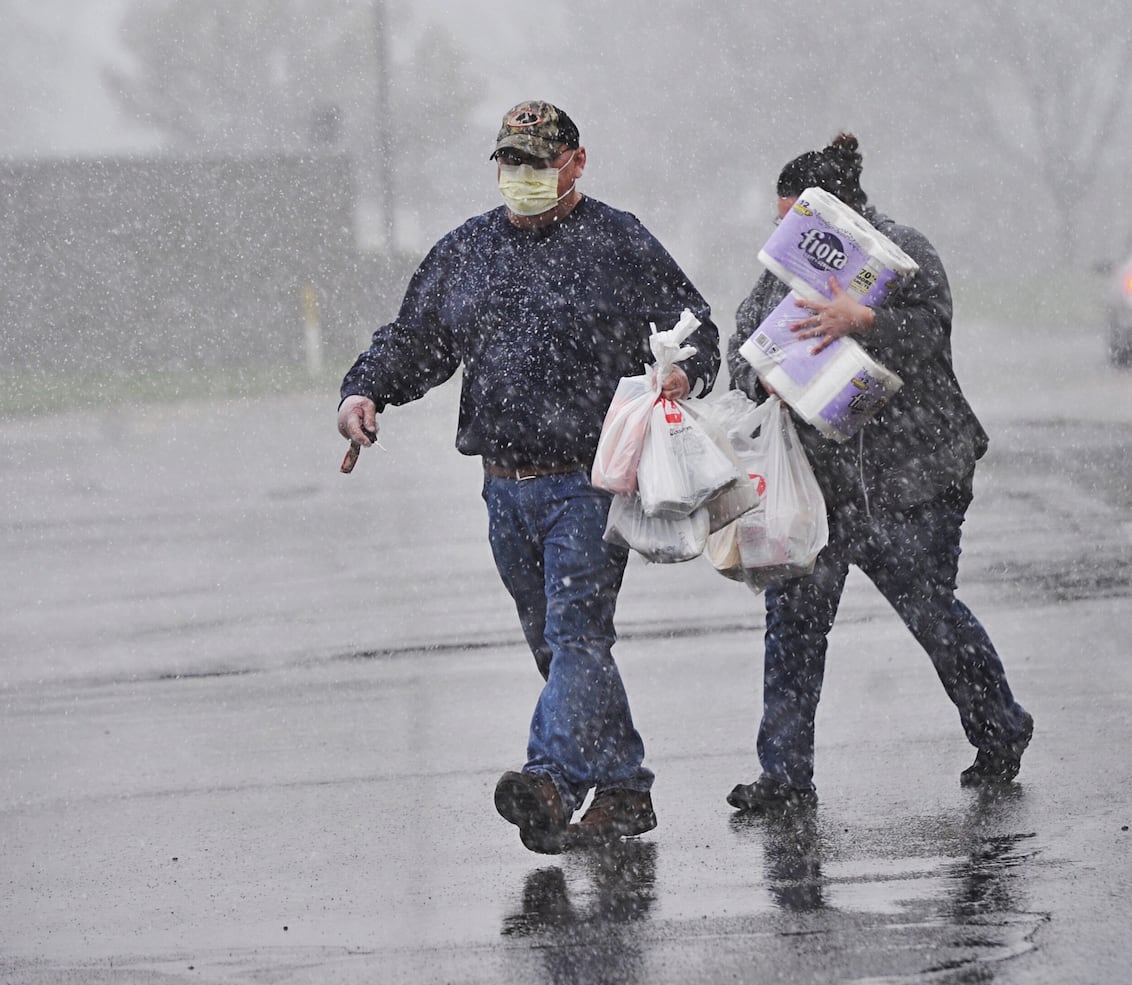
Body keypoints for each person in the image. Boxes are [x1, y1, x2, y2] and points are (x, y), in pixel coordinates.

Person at [337, 100, 720, 852]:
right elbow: (417, 340)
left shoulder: (617, 242)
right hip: (503, 484)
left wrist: (685, 370)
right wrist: (365, 390)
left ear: (576, 162)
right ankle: (624, 790)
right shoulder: (468, 252)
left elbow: (692, 321)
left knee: (577, 637)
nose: (523, 176)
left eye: (539, 163)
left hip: (589, 481)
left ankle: (548, 779)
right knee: (557, 647)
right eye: (511, 162)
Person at [726, 132, 1033, 812]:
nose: (780, 235)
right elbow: (743, 337)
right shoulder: (785, 269)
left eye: (789, 219)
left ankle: (1001, 730)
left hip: (915, 480)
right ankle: (784, 779)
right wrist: (759, 379)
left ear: (824, 213)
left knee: (933, 615)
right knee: (793, 627)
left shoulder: (904, 251)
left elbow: (931, 332)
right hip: (822, 487)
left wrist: (861, 319)